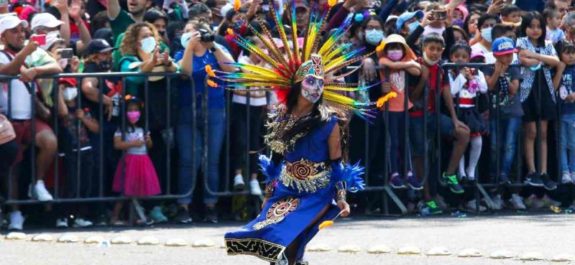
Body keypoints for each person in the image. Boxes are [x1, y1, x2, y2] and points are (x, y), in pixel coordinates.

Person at [218, 4, 373, 264]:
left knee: (295, 233)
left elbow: (337, 163)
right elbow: (277, 154)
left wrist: (342, 196)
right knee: (272, 236)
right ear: (297, 85)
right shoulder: (282, 116)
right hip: (286, 187)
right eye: (310, 82)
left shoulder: (328, 122)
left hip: (317, 191)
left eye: (320, 83)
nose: (315, 88)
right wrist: (270, 188)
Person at [175, 20, 235, 224]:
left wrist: (214, 46)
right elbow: (184, 73)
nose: (192, 36)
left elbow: (231, 69)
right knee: (188, 159)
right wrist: (190, 49)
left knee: (212, 160)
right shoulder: (181, 53)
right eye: (187, 32)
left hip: (215, 110)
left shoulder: (215, 50)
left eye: (195, 32)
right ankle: (184, 205)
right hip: (187, 111)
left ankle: (211, 206)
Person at [410, 34, 470, 215]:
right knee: (421, 155)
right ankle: (427, 198)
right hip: (415, 116)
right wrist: (423, 78)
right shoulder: (415, 66)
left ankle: (450, 173)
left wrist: (454, 119)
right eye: (431, 48)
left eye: (438, 49)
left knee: (463, 133)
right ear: (423, 48)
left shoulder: (441, 68)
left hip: (433, 115)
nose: (435, 53)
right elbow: (412, 98)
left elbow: (446, 93)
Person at [516, 11, 560, 191]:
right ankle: (532, 171)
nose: (535, 30)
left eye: (538, 27)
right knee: (531, 131)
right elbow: (524, 61)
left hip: (545, 90)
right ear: (524, 28)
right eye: (531, 26)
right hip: (528, 91)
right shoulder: (520, 42)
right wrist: (540, 60)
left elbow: (555, 61)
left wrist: (538, 57)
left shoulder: (548, 44)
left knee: (543, 131)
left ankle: (543, 171)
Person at [484, 37, 526, 210]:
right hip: (495, 113)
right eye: (504, 55)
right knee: (495, 146)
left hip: (513, 113)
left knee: (510, 146)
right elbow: (489, 85)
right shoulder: (488, 67)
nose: (507, 58)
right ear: (495, 55)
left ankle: (504, 175)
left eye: (510, 55)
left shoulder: (514, 69)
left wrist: (505, 75)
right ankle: (495, 182)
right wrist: (497, 73)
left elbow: (513, 89)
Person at [110, 96, 166, 225]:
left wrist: (148, 141)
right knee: (125, 191)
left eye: (136, 110)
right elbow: (117, 144)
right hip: (130, 161)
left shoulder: (143, 128)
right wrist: (133, 144)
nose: (133, 112)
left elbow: (149, 146)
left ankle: (135, 216)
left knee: (138, 190)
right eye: (130, 110)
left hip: (143, 161)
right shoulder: (122, 129)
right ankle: (115, 216)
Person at [376, 34, 422, 190]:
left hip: (404, 106)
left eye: (397, 48)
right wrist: (406, 64)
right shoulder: (384, 61)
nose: (394, 51)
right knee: (393, 141)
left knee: (405, 141)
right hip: (389, 108)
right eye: (391, 48)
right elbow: (387, 63)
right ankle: (394, 173)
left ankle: (409, 172)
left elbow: (418, 71)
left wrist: (407, 63)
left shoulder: (405, 62)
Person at [447, 44, 488, 182]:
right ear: (451, 57)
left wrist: (473, 78)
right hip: (457, 110)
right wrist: (462, 77)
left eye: (464, 57)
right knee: (461, 141)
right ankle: (461, 171)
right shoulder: (449, 72)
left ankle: (471, 170)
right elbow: (452, 91)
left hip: (471, 110)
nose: (460, 59)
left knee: (477, 141)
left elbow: (483, 89)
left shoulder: (475, 71)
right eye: (456, 56)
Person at [553, 41, 575, 184]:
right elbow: (553, 87)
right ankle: (565, 171)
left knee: (573, 143)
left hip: (573, 112)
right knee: (562, 143)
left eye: (573, 52)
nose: (571, 56)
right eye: (567, 53)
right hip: (560, 112)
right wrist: (560, 70)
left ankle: (573, 170)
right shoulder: (555, 70)